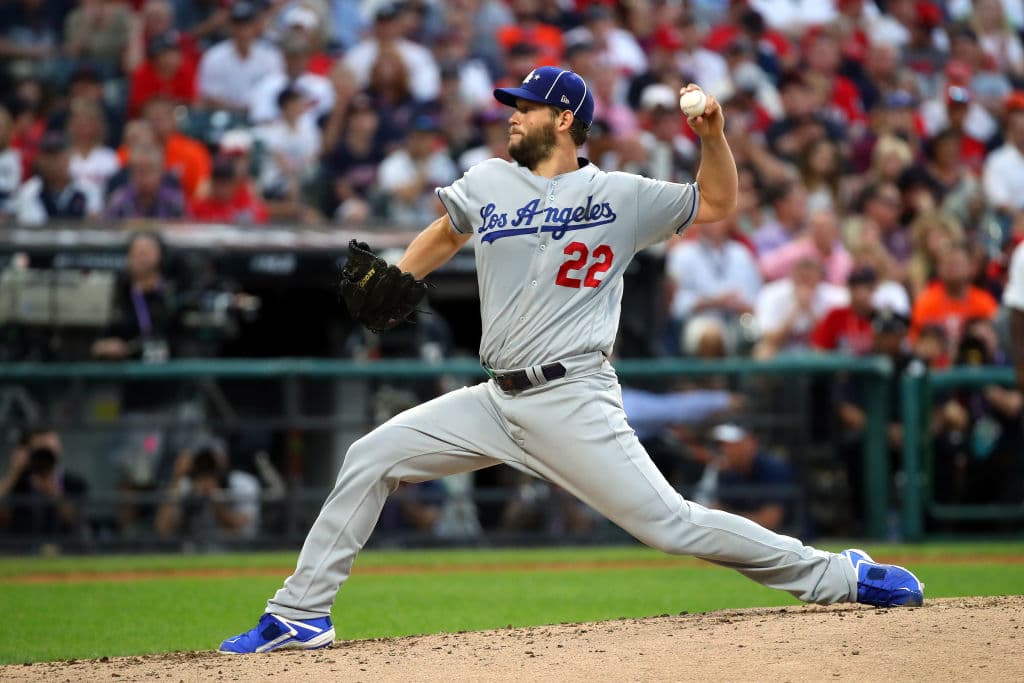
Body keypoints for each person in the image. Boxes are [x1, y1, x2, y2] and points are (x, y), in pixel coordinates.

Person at [219, 66, 924, 655]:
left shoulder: (620, 195)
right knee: (372, 455)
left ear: (564, 119)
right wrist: (403, 275)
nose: (510, 117)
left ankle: (839, 574)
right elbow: (446, 228)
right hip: (496, 401)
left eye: (523, 108)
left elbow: (717, 201)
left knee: (672, 525)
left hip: (574, 396)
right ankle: (301, 612)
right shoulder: (491, 179)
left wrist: (712, 133)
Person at [692, 423, 795, 532]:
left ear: (749, 442)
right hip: (745, 539)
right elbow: (713, 512)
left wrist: (724, 518)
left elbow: (769, 521)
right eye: (721, 445)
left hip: (790, 539)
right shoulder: (725, 472)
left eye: (730, 445)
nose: (724, 450)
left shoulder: (774, 468)